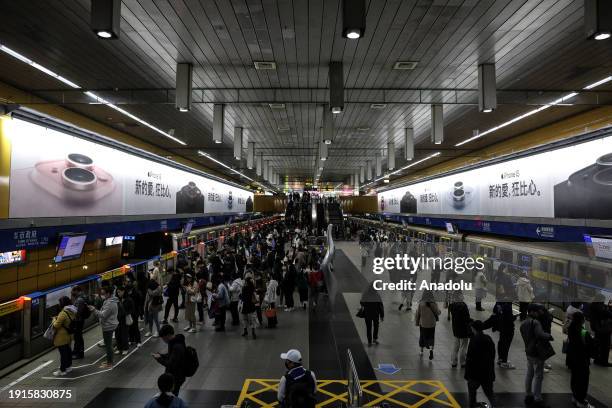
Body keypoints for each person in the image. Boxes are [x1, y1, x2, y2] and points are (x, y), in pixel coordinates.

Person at [520, 304, 554, 408]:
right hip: (536, 352)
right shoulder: (535, 322)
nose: (538, 313)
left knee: (529, 373)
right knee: (539, 375)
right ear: (532, 312)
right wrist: (549, 336)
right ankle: (537, 397)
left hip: (528, 351)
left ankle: (528, 393)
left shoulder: (524, 322)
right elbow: (540, 334)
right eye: (537, 311)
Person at [566, 311, 596, 408]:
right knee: (582, 381)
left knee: (574, 378)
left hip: (573, 359)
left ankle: (575, 397)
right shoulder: (584, 332)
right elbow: (591, 347)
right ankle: (581, 401)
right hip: (582, 360)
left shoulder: (570, 329)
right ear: (582, 320)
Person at [465, 320, 496, 408]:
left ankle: (473, 405)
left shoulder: (473, 340)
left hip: (475, 374)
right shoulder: (488, 338)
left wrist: (467, 375)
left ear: (474, 329)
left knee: (472, 394)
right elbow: (493, 355)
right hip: (487, 373)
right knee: (490, 394)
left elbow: (470, 358)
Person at [89, 286, 119, 369]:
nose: (102, 295)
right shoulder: (110, 300)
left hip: (108, 326)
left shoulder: (110, 303)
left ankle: (110, 363)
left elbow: (103, 315)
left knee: (108, 345)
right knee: (108, 344)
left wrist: (94, 310)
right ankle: (110, 360)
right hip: (110, 324)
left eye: (103, 293)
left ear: (108, 294)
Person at [153, 325, 187, 396]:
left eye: (163, 338)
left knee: (172, 396)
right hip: (174, 376)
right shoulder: (175, 341)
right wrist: (161, 355)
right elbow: (171, 355)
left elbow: (170, 364)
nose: (163, 340)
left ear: (168, 335)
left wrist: (159, 359)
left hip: (176, 377)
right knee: (171, 395)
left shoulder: (177, 346)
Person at [486, 301, 517, 369]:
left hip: (502, 326)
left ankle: (500, 359)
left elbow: (495, 310)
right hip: (508, 327)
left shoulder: (499, 301)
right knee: (506, 344)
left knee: (501, 342)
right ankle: (504, 362)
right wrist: (514, 317)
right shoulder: (507, 303)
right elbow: (508, 317)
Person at [52, 296, 77, 376]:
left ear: (62, 303)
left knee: (63, 354)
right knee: (68, 351)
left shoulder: (63, 313)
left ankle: (62, 370)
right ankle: (69, 367)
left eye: (60, 302)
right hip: (69, 335)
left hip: (61, 336)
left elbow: (56, 325)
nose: (59, 304)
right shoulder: (72, 310)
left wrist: (54, 319)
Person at [415, 290, 441, 360]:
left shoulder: (421, 303)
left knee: (422, 336)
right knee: (431, 336)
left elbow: (417, 314)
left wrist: (417, 323)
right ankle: (431, 350)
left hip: (423, 324)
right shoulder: (434, 303)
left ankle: (421, 351)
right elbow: (438, 312)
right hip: (432, 324)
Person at [449, 292, 471, 368]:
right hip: (464, 329)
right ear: (459, 297)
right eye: (462, 295)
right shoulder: (463, 306)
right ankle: (463, 362)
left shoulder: (452, 305)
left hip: (455, 328)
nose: (463, 296)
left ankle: (453, 362)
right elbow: (467, 318)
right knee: (464, 346)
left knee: (455, 346)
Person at [589, 294, 612, 367]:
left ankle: (597, 359)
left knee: (598, 344)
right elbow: (608, 314)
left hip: (597, 328)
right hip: (602, 329)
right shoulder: (598, 307)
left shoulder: (593, 305)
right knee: (605, 345)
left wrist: (607, 307)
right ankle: (604, 361)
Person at [71, 285, 89, 360]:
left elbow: (77, 312)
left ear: (77, 291)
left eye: (73, 291)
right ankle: (76, 351)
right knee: (78, 336)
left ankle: (79, 353)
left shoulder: (79, 300)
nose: (72, 293)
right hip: (80, 320)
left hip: (78, 320)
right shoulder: (83, 297)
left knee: (78, 336)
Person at [115, 286, 132, 355]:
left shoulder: (128, 299)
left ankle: (125, 348)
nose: (118, 293)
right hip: (117, 319)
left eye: (119, 292)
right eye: (117, 292)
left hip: (124, 319)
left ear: (123, 291)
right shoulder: (116, 299)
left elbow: (131, 309)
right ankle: (119, 348)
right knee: (117, 334)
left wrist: (125, 313)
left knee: (124, 335)